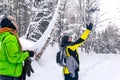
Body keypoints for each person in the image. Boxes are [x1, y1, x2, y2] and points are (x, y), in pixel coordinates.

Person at [0, 16, 34, 80]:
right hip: (10, 76)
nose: (16, 24)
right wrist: (27, 54)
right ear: (10, 24)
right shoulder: (10, 38)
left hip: (8, 73)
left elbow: (8, 54)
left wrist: (23, 52)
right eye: (14, 22)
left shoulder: (6, 36)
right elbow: (14, 58)